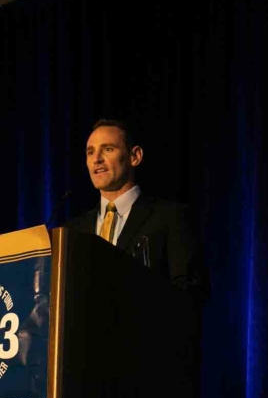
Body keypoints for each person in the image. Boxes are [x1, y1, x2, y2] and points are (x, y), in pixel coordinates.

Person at [66, 119, 207, 299]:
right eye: (90, 152)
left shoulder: (170, 217)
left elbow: (190, 292)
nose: (97, 159)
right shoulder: (72, 231)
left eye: (108, 149)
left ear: (135, 156)